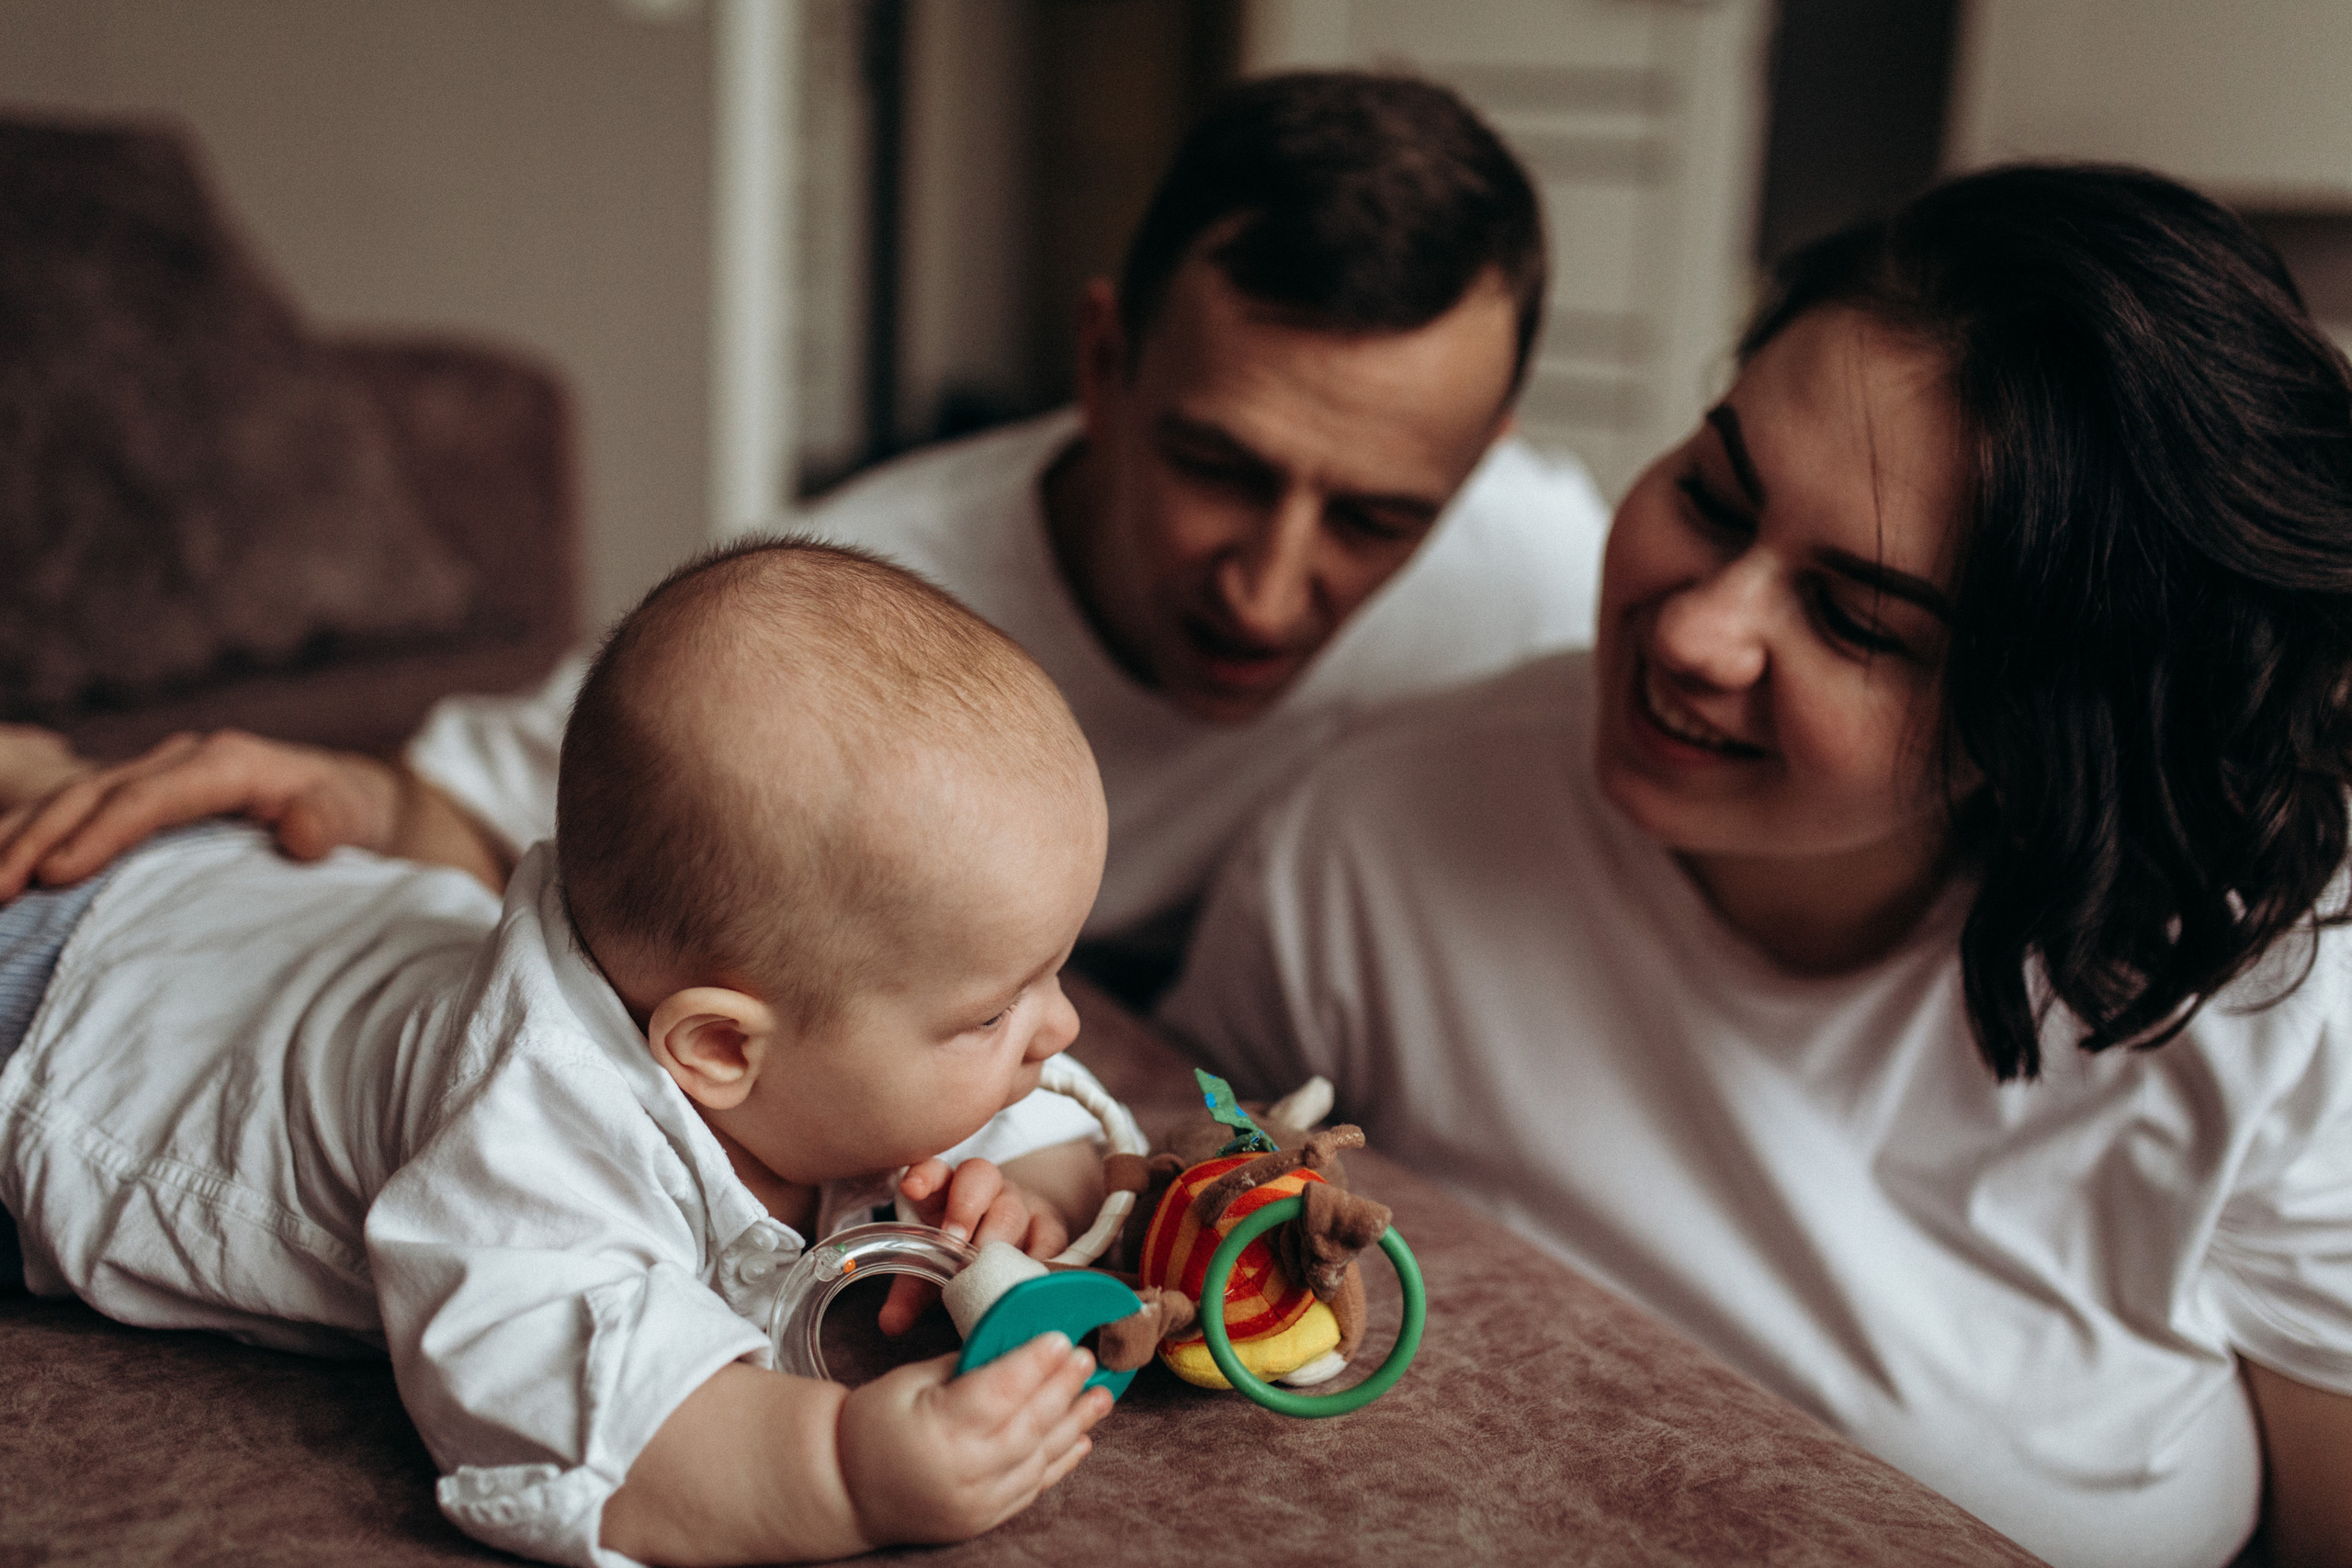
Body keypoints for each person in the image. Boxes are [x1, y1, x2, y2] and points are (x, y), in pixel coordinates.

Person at [1160, 164, 2352, 1568]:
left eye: (1855, 617)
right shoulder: (1374, 831)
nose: (1696, 632)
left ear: (2044, 728)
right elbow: (1185, 1215)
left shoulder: (2276, 996)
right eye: (1716, 496)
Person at [0, 71, 1608, 996]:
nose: (1270, 586)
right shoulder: (874, 592)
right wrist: (343, 789)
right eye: (1218, 466)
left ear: (1478, 465)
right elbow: (502, 817)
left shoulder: (1540, 579)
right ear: (1106, 365)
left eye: (1379, 517)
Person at [0, 540, 1130, 1566]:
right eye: (993, 1015)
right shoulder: (534, 1132)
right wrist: (851, 1468)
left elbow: (1037, 1122)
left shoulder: (806, 1022)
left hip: (260, 898)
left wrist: (1029, 1187)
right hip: (65, 1022)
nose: (1061, 1027)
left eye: (1052, 971)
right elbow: (595, 1421)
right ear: (721, 1048)